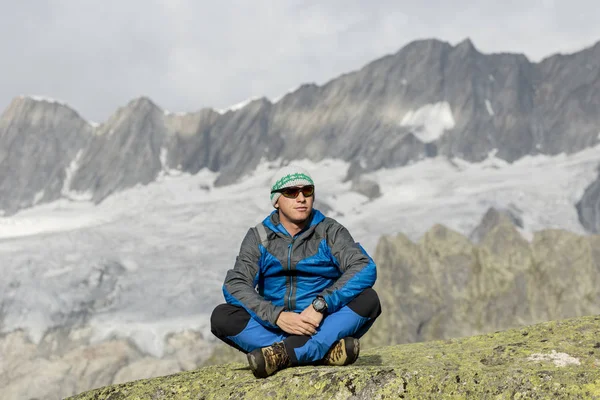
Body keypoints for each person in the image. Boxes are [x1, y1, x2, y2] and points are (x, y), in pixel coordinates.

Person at [210, 165, 381, 378]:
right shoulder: (259, 236)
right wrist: (277, 316)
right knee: (221, 317)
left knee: (369, 299)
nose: (301, 198)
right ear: (276, 200)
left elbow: (364, 267)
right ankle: (320, 352)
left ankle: (283, 354)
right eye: (291, 192)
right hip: (274, 326)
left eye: (307, 191)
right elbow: (235, 284)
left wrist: (321, 305)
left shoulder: (329, 231)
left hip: (321, 323)